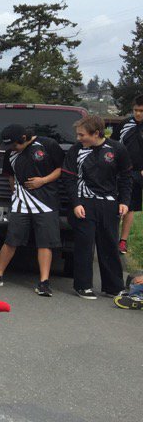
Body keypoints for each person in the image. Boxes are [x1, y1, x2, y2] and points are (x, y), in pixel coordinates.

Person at [0, 124, 65, 296]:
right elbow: (9, 175)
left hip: (46, 202)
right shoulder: (10, 153)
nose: (12, 148)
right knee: (11, 239)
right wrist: (14, 189)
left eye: (14, 144)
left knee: (45, 242)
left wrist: (43, 181)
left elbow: (60, 169)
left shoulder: (48, 144)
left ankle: (44, 282)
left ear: (24, 138)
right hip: (21, 202)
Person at [62, 114, 133, 299]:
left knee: (109, 244)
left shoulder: (117, 149)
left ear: (96, 133)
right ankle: (83, 285)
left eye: (82, 135)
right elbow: (68, 179)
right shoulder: (76, 151)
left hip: (109, 203)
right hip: (84, 203)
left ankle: (113, 287)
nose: (78, 139)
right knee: (84, 245)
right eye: (77, 135)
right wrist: (75, 203)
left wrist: (125, 201)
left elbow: (126, 177)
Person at [118, 96, 143, 254]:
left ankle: (123, 241)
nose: (138, 114)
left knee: (130, 207)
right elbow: (113, 143)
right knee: (116, 204)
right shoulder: (124, 124)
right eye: (136, 110)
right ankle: (110, 236)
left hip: (137, 173)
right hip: (119, 171)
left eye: (141, 111)